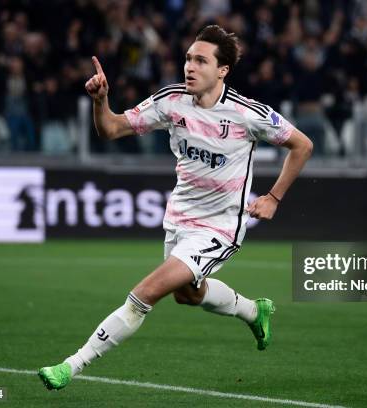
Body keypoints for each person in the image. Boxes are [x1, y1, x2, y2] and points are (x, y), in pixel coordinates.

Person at [38, 25, 313, 390]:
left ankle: (72, 365)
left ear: (222, 71)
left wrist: (274, 197)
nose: (190, 67)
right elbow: (112, 130)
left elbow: (302, 145)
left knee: (145, 294)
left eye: (201, 60)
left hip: (219, 227)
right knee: (189, 295)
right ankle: (252, 310)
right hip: (180, 219)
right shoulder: (172, 101)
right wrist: (101, 101)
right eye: (187, 58)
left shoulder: (248, 114)